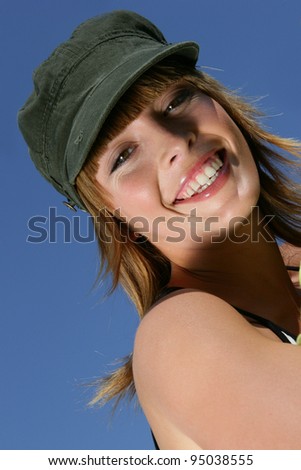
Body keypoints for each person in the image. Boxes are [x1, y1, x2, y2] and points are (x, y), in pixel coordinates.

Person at [18, 10, 301, 450]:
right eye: (123, 156)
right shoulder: (177, 336)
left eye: (174, 100)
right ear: (115, 219)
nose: (174, 142)